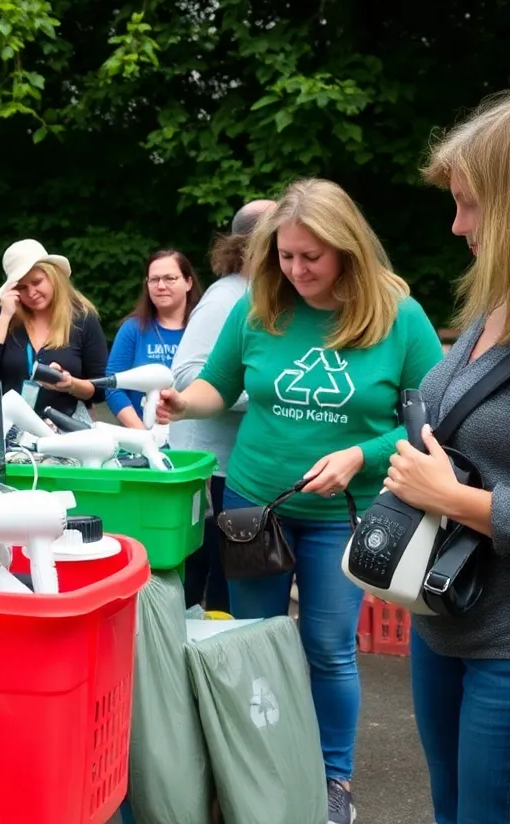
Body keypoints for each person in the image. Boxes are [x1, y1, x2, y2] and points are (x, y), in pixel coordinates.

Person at [156, 178, 442, 824]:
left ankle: (331, 778)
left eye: (311, 256)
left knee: (327, 646)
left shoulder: (399, 315)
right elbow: (216, 387)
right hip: (258, 508)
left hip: (346, 515)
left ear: (347, 248)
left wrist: (359, 456)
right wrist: (183, 403)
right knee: (254, 642)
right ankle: (259, 766)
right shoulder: (259, 309)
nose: (296, 269)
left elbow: (432, 415)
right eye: (286, 256)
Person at [387, 89, 510, 823]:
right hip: (445, 619)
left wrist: (455, 500)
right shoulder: (493, 306)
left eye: (471, 205)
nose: (456, 225)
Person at [173, 198, 275, 612]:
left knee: (226, 579)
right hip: (213, 466)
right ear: (252, 244)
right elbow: (185, 375)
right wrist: (268, 396)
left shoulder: (258, 294)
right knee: (213, 578)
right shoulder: (225, 299)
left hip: (237, 464)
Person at [0, 238, 108, 420]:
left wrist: (70, 384)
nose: (31, 293)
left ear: (53, 276)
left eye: (37, 282)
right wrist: (5, 316)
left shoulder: (83, 318)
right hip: (13, 429)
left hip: (67, 428)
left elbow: (100, 391)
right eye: (21, 287)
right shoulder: (3, 316)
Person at [105, 249, 202, 431]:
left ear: (188, 283)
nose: (161, 286)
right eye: (154, 280)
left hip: (193, 439)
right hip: (143, 437)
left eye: (170, 278)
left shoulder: (204, 329)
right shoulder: (132, 329)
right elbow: (113, 385)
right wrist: (142, 434)